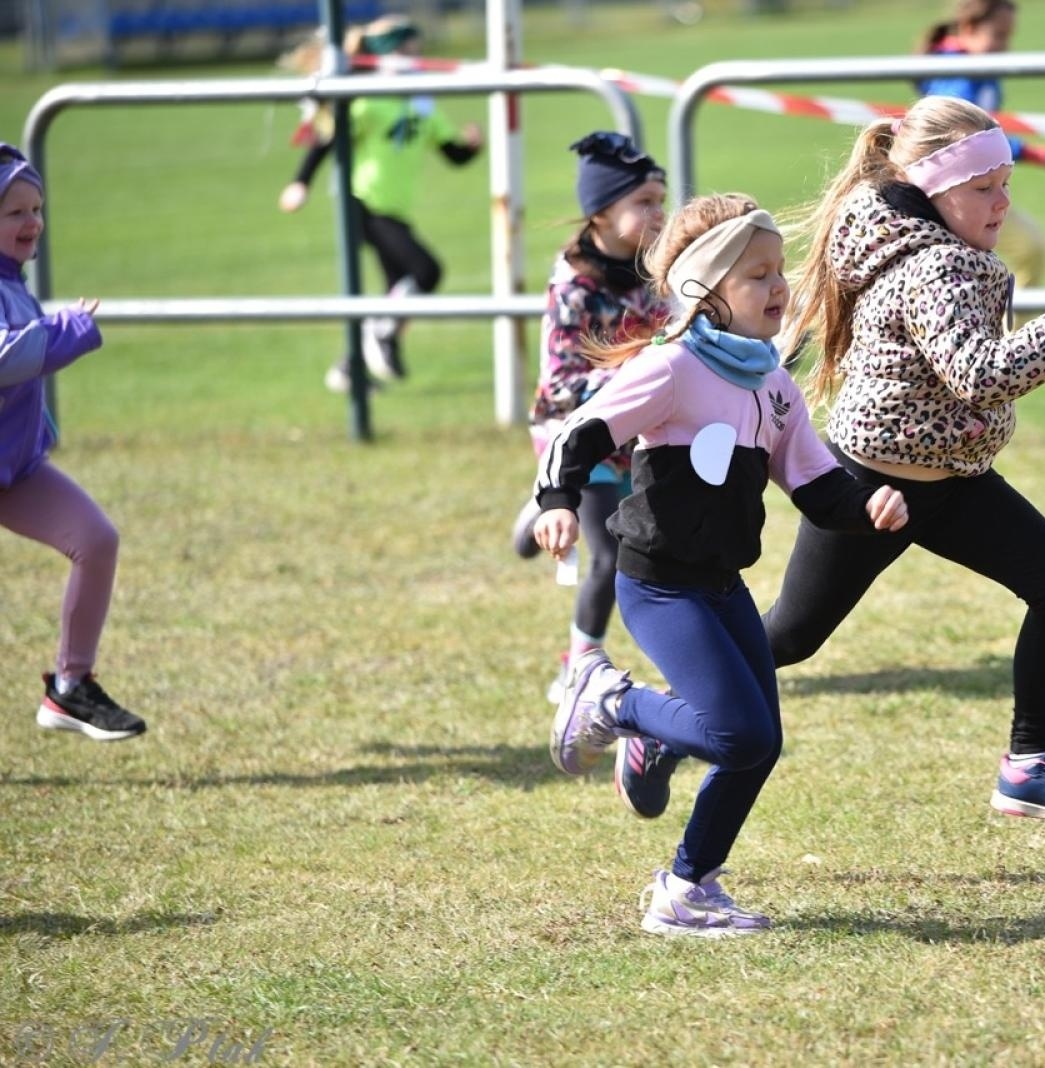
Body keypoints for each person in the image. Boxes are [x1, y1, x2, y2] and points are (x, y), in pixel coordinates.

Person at [531, 194, 909, 936]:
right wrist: (557, 500)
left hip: (722, 585)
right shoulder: (671, 369)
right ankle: (610, 700)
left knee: (756, 744)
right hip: (660, 585)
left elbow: (815, 484)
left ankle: (686, 887)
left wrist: (870, 506)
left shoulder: (772, 385)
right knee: (737, 734)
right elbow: (579, 431)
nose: (781, 289)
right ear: (707, 292)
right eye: (758, 275)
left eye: (780, 273)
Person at [764, 95, 1045, 827]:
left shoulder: (934, 248)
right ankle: (664, 714)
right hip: (873, 485)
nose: (1001, 204)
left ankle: (1031, 764)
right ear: (933, 191)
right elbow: (980, 373)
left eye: (1006, 183)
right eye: (982, 188)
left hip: (952, 480)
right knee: (792, 637)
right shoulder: (936, 264)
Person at [510, 133, 674, 715]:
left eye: (662, 198)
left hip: (635, 438)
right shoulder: (573, 286)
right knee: (609, 555)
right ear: (602, 211)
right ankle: (579, 667)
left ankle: (543, 511)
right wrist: (634, 378)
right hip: (573, 436)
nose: (659, 213)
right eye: (644, 202)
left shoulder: (658, 272)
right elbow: (560, 387)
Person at [0, 144, 144, 742]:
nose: (32, 221)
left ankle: (71, 687)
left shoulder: (12, 281)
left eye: (37, 208)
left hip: (14, 470)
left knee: (96, 539)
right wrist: (67, 330)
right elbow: (8, 356)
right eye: (14, 212)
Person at [277, 16, 483, 392]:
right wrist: (300, 183)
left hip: (396, 209)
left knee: (399, 290)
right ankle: (379, 336)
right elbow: (327, 140)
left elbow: (451, 153)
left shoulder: (421, 102)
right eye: (408, 51)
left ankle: (350, 366)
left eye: (418, 51)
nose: (416, 59)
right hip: (363, 203)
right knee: (426, 271)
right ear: (386, 56)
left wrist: (472, 145)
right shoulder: (367, 99)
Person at [916, 0, 1045, 287]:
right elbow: (965, 135)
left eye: (1008, 37)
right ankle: (1012, 331)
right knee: (1028, 248)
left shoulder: (981, 72)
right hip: (951, 196)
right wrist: (1026, 151)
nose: (1005, 46)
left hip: (972, 188)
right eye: (999, 35)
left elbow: (985, 134)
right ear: (969, 28)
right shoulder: (957, 77)